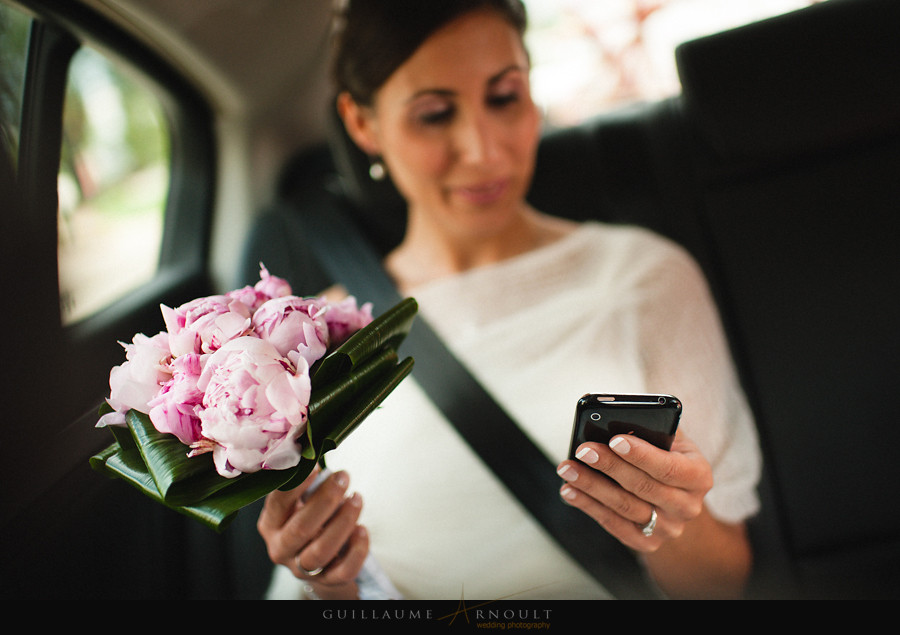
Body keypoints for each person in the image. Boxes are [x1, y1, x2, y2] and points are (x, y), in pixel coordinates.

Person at [256, 0, 761, 600]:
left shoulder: (645, 277)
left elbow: (719, 586)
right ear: (363, 125)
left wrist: (670, 523)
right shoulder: (311, 342)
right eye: (435, 114)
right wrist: (322, 578)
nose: (483, 149)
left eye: (504, 97)